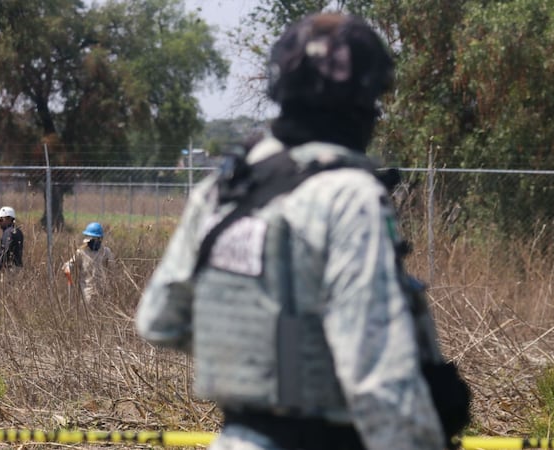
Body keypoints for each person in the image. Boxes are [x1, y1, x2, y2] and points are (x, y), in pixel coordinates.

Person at [136, 13, 467, 450]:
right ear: (366, 99)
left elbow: (159, 320)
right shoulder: (349, 196)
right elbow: (376, 377)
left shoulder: (226, 188)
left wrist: (268, 361)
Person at [63, 222, 115, 302]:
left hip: (103, 291)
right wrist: (68, 267)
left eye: (96, 239)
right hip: (86, 291)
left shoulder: (106, 252)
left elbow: (112, 270)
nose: (94, 241)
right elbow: (70, 264)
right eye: (91, 239)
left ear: (100, 239)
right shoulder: (81, 252)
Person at [0, 206, 24, 271]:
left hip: (9, 268)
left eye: (1, 219)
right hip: (17, 266)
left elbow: (6, 250)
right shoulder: (18, 231)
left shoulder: (8, 233)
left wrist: (1, 264)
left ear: (9, 219)